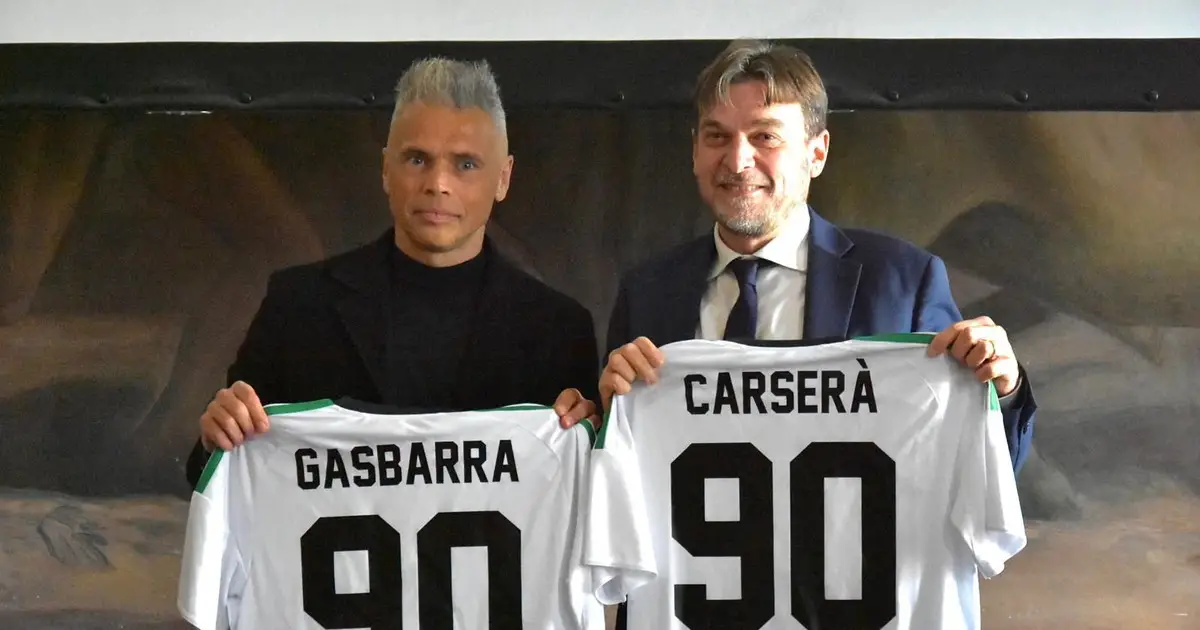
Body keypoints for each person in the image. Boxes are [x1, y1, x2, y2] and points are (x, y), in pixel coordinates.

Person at [554, 38, 1037, 474]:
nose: (737, 160)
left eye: (765, 136)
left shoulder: (905, 282)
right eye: (717, 136)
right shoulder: (647, 292)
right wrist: (595, 426)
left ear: (816, 152)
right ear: (695, 151)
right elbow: (621, 475)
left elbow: (981, 470)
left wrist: (1004, 390)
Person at [186, 56, 599, 487]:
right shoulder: (297, 305)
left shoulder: (560, 330)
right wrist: (218, 438)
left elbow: (585, 496)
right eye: (417, 159)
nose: (438, 184)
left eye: (465, 164)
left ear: (503, 178)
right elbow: (214, 475)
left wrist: (590, 443)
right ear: (386, 169)